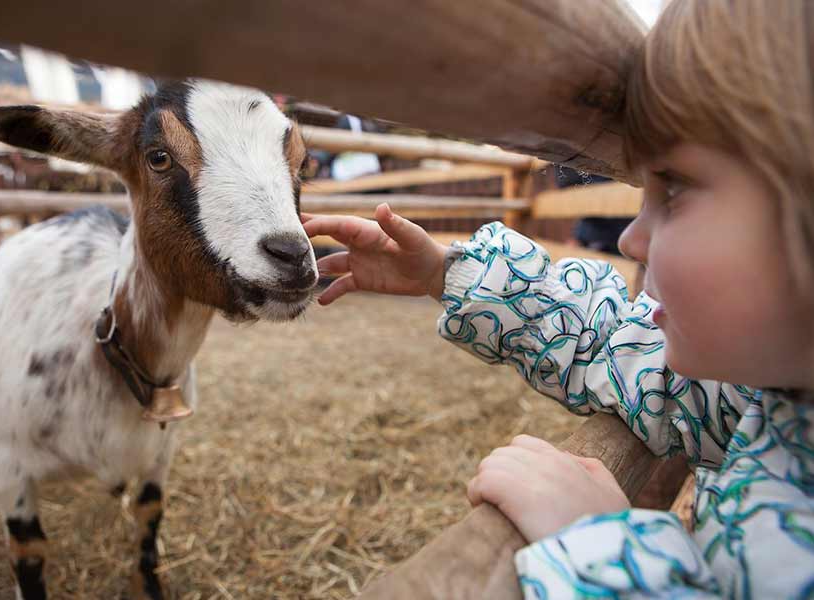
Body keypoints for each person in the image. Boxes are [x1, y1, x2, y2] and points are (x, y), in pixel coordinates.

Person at [301, 1, 814, 596]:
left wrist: (608, 551)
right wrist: (447, 275)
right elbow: (620, 355)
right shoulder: (773, 394)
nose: (630, 237)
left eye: (673, 189)